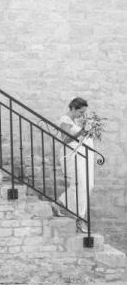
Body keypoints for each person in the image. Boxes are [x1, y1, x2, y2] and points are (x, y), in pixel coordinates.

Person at [52, 97, 94, 233]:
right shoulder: (65, 120)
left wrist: (86, 133)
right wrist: (81, 132)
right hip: (71, 156)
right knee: (81, 185)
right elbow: (65, 139)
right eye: (80, 112)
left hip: (80, 156)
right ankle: (79, 219)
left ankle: (57, 204)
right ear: (73, 108)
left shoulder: (74, 120)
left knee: (87, 185)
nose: (82, 115)